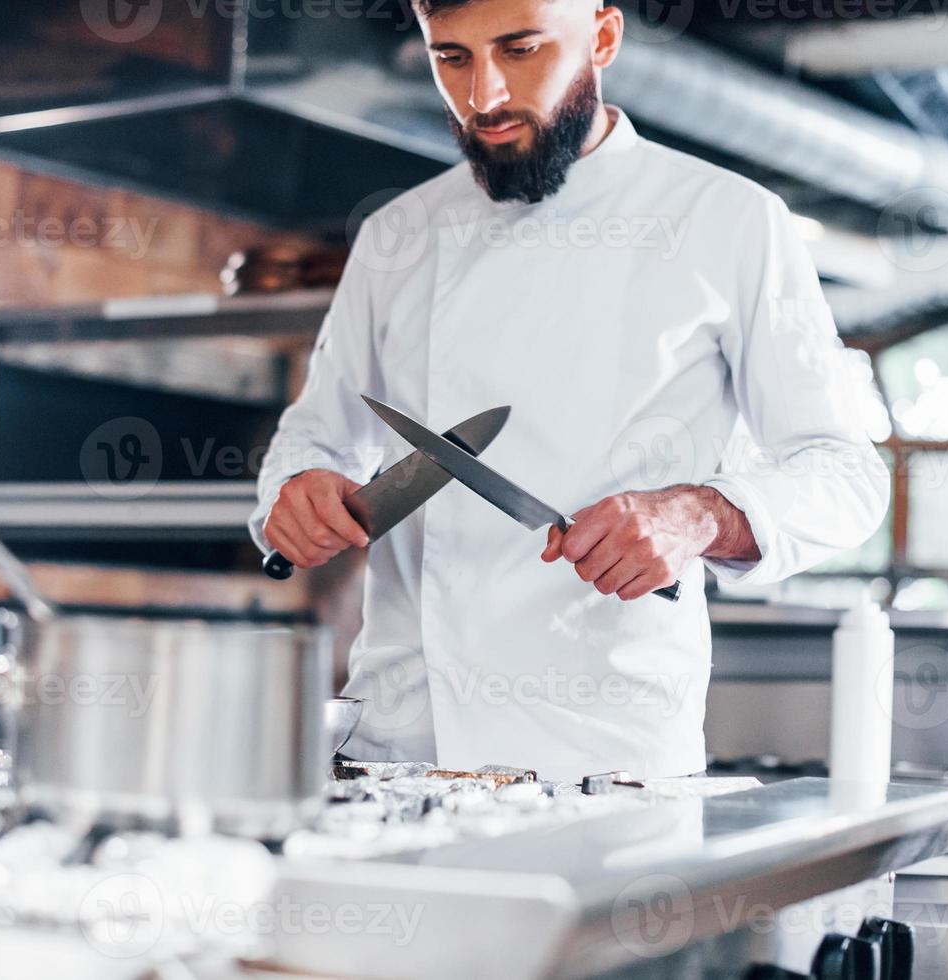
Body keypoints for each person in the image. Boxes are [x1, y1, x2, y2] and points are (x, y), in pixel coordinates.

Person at [250, 0, 889, 783]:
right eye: (451, 58)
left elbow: (846, 474)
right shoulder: (396, 234)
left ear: (605, 37)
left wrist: (699, 516)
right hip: (402, 751)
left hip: (605, 759)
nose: (482, 95)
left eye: (520, 50)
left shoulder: (730, 221)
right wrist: (296, 491)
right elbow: (316, 436)